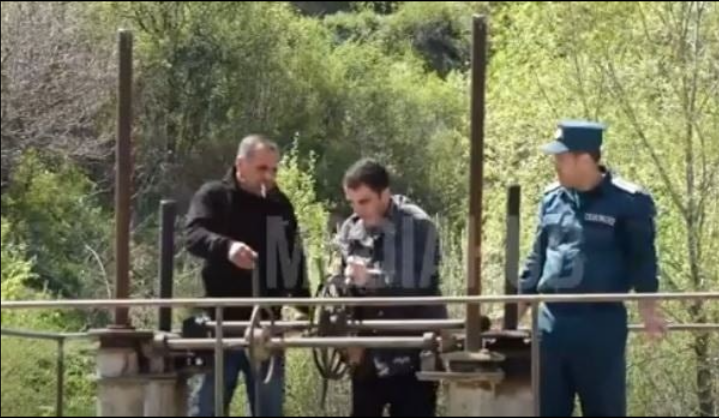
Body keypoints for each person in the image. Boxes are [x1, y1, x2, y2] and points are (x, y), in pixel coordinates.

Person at [519, 120, 668, 417]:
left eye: (561, 158)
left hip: (600, 324)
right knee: (546, 409)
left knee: (604, 408)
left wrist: (649, 311)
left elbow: (643, 261)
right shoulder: (551, 199)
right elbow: (536, 260)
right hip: (550, 325)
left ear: (585, 159)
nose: (555, 165)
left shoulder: (628, 202)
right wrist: (514, 311)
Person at [185, 134, 310, 417]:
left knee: (269, 410)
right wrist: (227, 247)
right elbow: (193, 235)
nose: (269, 176)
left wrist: (306, 308)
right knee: (206, 408)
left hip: (266, 328)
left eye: (274, 169)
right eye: (262, 168)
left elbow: (294, 261)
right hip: (220, 325)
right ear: (240, 165)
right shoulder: (214, 196)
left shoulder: (279, 205)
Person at [336, 158, 447, 417]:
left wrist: (371, 279)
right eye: (352, 202)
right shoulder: (351, 229)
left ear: (384, 194)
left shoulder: (418, 225)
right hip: (368, 356)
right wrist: (348, 338)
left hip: (412, 354)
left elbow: (421, 285)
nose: (358, 210)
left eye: (364, 201)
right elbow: (343, 291)